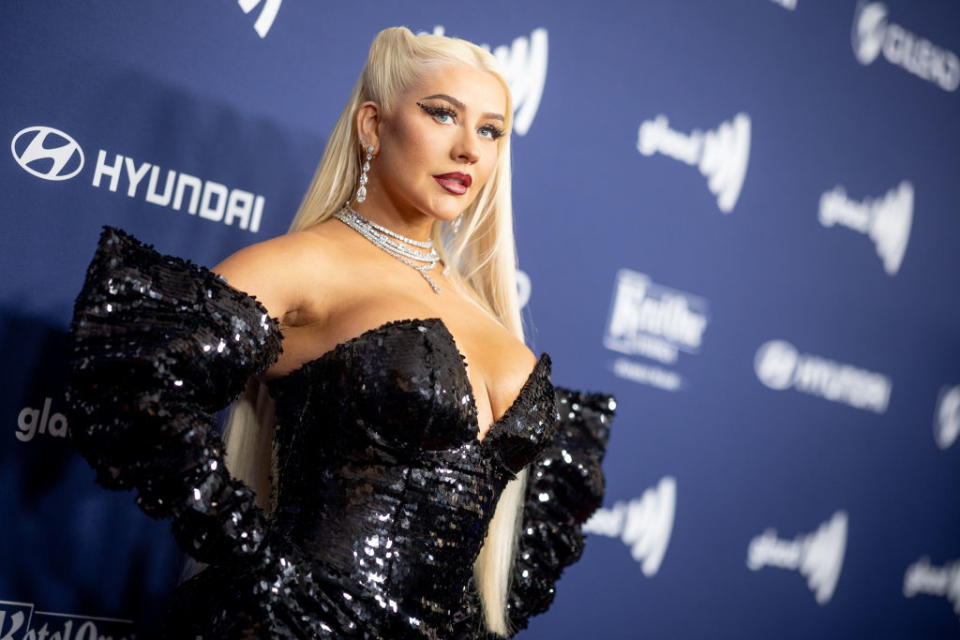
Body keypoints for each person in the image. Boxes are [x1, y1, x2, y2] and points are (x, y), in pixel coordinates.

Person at [65, 26, 616, 639]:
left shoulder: (485, 307)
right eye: (442, 115)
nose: (469, 149)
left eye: (490, 130)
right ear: (373, 127)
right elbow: (135, 376)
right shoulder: (306, 265)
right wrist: (259, 563)